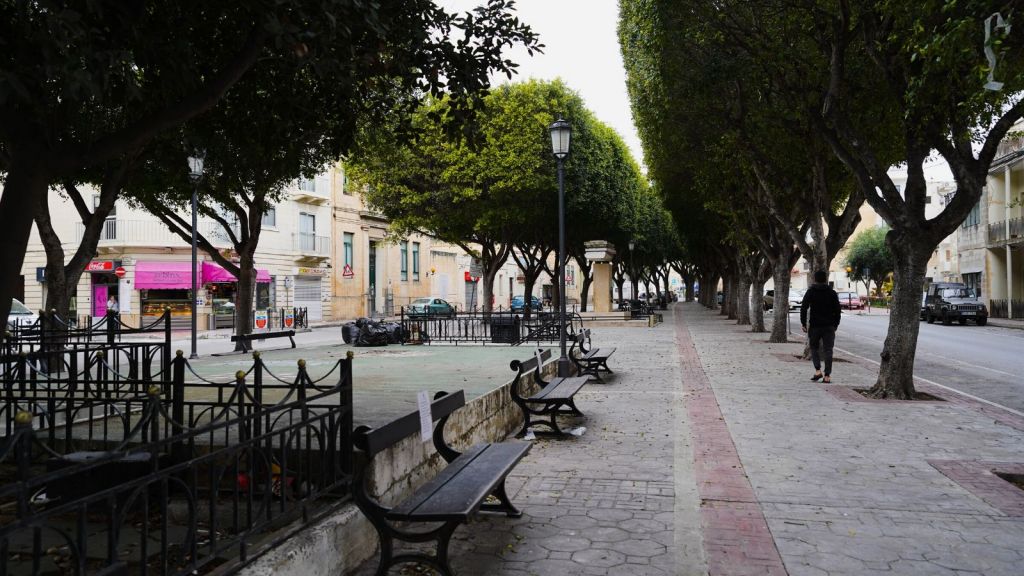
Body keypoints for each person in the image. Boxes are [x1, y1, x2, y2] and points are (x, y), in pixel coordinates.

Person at [800, 270, 842, 383]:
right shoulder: (832, 293)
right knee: (828, 350)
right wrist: (836, 324)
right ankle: (827, 376)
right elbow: (838, 310)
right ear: (826, 279)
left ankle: (818, 370)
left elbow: (803, 307)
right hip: (829, 326)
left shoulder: (811, 292)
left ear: (815, 279)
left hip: (815, 326)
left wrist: (803, 323)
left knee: (814, 348)